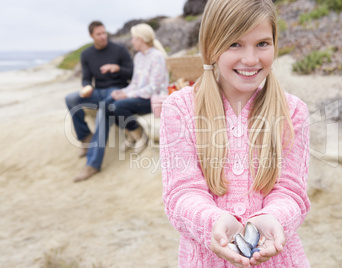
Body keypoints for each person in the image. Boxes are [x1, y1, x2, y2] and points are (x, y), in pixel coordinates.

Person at [160, 0, 310, 267]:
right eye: (234, 44)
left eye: (262, 44)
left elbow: (290, 190)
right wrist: (213, 221)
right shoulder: (180, 108)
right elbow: (181, 192)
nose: (251, 59)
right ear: (211, 46)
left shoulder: (292, 111)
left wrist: (274, 217)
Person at [65, 21, 133, 182]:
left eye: (104, 33)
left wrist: (117, 68)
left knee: (104, 111)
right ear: (91, 36)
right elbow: (87, 78)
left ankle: (93, 164)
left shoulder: (119, 50)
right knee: (71, 98)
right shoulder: (86, 54)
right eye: (99, 34)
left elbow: (132, 74)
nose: (103, 36)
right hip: (97, 91)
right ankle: (85, 137)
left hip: (117, 90)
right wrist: (86, 87)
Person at [107, 23, 169, 153]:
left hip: (153, 99)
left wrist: (127, 96)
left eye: (133, 38)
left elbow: (153, 88)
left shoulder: (157, 56)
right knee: (109, 103)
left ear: (140, 39)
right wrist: (122, 92)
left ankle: (139, 135)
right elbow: (135, 83)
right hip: (140, 96)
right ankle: (130, 134)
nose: (132, 41)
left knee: (118, 106)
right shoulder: (138, 57)